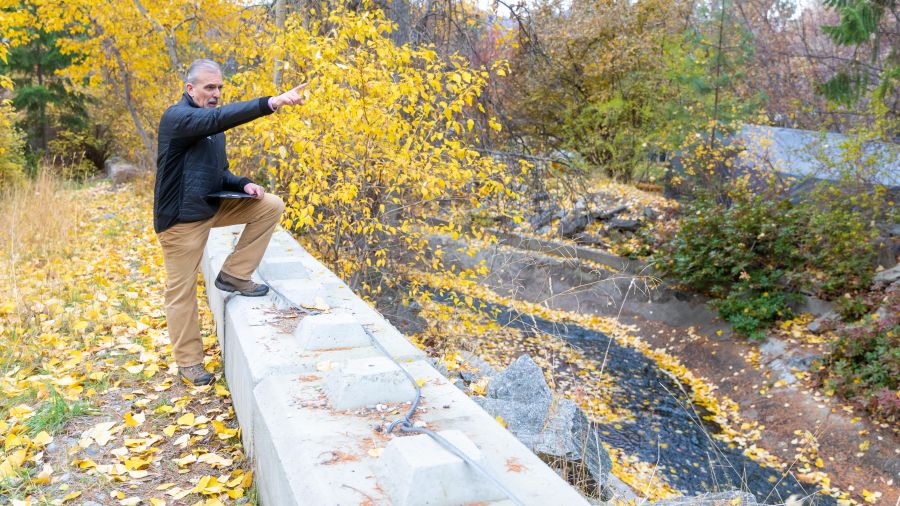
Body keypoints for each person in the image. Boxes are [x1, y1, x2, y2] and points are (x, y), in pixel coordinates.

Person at [153, 58, 306, 386]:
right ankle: (190, 363)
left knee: (270, 206)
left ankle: (235, 275)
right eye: (210, 87)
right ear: (189, 89)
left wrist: (242, 184)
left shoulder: (211, 130)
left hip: (209, 206)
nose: (216, 93)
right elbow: (218, 118)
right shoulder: (177, 118)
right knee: (181, 292)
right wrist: (271, 102)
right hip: (180, 221)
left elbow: (219, 172)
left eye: (220, 87)